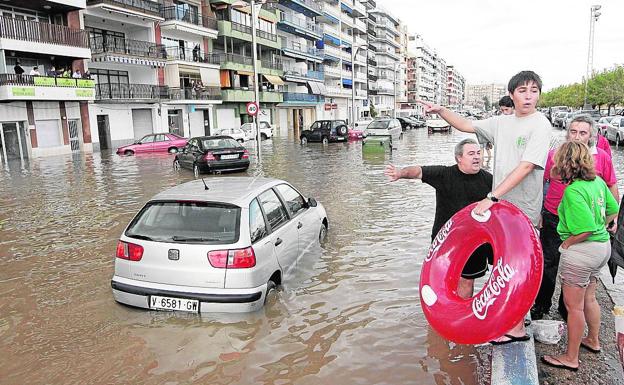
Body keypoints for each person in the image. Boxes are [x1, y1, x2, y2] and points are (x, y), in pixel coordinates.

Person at [419, 70, 552, 345]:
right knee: (501, 264)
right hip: (503, 205)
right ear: (512, 94)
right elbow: (467, 125)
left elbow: (527, 166)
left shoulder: (540, 124)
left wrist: (492, 196)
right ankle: (505, 321)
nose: (529, 96)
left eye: (534, 90)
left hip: (521, 206)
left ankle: (515, 328)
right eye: (523, 90)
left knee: (518, 266)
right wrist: (442, 110)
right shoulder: (502, 122)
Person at [541, 141, 619, 371]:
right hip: (602, 247)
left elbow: (583, 229)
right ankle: (593, 340)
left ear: (564, 163)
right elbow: (614, 209)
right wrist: (601, 226)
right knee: (590, 298)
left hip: (582, 252)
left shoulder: (573, 190)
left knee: (573, 307)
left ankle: (570, 357)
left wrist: (567, 243)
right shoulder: (597, 181)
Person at [532, 115, 619, 320]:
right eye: (573, 131)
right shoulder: (555, 154)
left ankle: (567, 309)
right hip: (554, 215)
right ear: (567, 132)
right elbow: (541, 183)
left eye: (583, 133)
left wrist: (609, 221)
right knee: (548, 262)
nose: (577, 136)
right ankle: (542, 304)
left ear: (591, 136)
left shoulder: (602, 158)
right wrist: (539, 213)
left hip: (582, 225)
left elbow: (611, 186)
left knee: (574, 268)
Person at [384, 138, 493, 299]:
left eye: (478, 153)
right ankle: (441, 314)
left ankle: (459, 317)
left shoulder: (489, 180)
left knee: (467, 281)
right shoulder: (444, 174)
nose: (477, 157)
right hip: (446, 241)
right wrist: (400, 173)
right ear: (459, 158)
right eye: (471, 154)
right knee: (443, 280)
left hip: (475, 243)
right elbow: (418, 171)